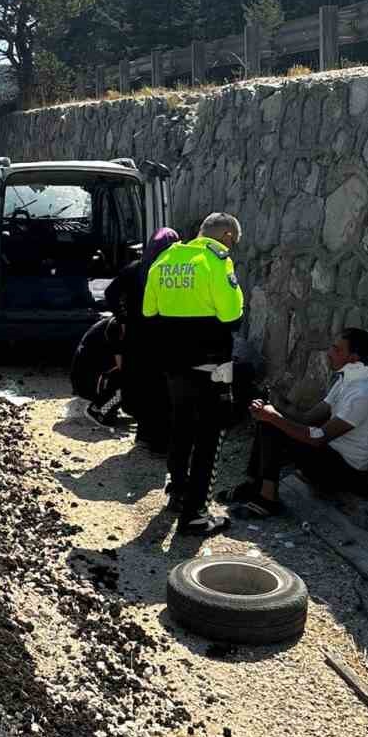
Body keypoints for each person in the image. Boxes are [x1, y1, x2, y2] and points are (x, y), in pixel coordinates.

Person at [142, 212, 245, 536]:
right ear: (226, 236)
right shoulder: (216, 261)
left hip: (174, 366)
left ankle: (178, 492)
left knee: (181, 428)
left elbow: (149, 311)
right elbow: (232, 316)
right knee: (209, 438)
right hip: (210, 367)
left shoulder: (167, 258)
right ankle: (196, 514)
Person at [229, 327, 368, 518]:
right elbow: (308, 418)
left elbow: (319, 438)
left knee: (273, 424)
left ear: (354, 358)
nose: (330, 353)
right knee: (270, 421)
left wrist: (274, 417)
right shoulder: (347, 382)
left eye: (337, 350)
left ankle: (267, 500)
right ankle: (255, 485)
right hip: (330, 457)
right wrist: (273, 406)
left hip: (347, 474)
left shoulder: (364, 395)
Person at [103, 226, 179, 449]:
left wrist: (124, 319)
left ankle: (146, 435)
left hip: (136, 337)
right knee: (160, 388)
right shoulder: (171, 272)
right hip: (161, 337)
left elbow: (110, 293)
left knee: (141, 385)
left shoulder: (135, 269)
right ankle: (159, 440)